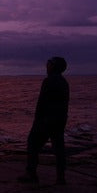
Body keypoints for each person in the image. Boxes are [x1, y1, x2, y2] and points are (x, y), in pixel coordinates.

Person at [21, 56, 70, 185]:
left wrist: (37, 120)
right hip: (60, 120)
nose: (46, 66)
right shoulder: (64, 82)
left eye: (48, 64)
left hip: (46, 120)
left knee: (32, 144)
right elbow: (64, 104)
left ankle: (31, 174)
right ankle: (61, 177)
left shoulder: (48, 81)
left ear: (53, 66)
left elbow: (41, 103)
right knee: (59, 149)